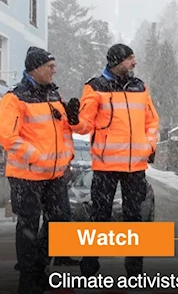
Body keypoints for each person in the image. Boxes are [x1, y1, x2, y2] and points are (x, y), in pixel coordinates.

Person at [65, 44, 160, 277]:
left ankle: (135, 271)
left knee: (134, 219)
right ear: (117, 62)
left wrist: (149, 146)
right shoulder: (95, 87)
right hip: (106, 165)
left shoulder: (140, 87)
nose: (134, 63)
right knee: (100, 218)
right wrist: (74, 119)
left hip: (135, 166)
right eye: (130, 59)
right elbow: (85, 124)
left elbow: (152, 122)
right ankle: (89, 268)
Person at [0, 47, 75, 294]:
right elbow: (6, 135)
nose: (55, 70)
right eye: (50, 66)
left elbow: (64, 131)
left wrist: (69, 148)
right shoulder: (15, 98)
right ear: (35, 69)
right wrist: (36, 157)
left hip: (54, 175)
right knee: (28, 226)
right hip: (26, 175)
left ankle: (40, 270)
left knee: (59, 222)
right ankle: (28, 279)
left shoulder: (53, 94)